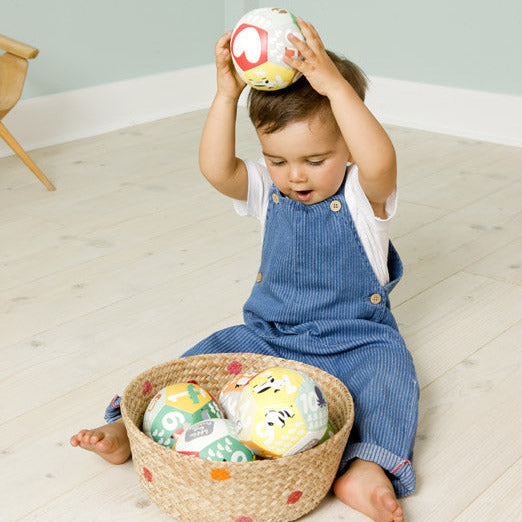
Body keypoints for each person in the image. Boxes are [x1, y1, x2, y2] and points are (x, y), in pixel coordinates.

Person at [71, 18, 419, 522]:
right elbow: (218, 169)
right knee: (201, 358)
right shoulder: (269, 189)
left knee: (392, 381)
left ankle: (369, 466)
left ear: (347, 148)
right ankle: (132, 428)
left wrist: (336, 89)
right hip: (269, 335)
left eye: (315, 159)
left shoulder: (365, 197)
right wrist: (225, 95)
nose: (294, 175)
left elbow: (381, 160)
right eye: (276, 160)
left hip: (357, 339)